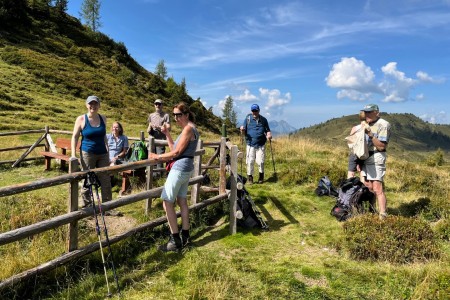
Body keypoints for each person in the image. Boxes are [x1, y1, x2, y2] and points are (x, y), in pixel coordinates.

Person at [148, 102, 199, 252]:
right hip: (186, 168)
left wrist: (157, 157)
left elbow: (175, 154)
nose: (176, 118)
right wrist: (167, 134)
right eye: (175, 115)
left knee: (166, 202)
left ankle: (174, 240)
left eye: (179, 115)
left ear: (186, 115)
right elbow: (174, 149)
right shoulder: (189, 129)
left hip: (179, 169)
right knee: (182, 201)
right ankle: (185, 236)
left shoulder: (188, 129)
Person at [71, 95, 112, 207]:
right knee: (87, 178)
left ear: (99, 105)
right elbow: (75, 137)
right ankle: (87, 204)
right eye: (91, 104)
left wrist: (108, 152)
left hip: (102, 153)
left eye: (95, 103)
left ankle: (108, 205)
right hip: (87, 153)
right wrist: (73, 155)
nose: (93, 106)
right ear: (87, 105)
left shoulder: (103, 118)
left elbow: (104, 137)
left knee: (105, 179)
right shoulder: (81, 119)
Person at [360, 104, 391, 220]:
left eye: (369, 112)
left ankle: (383, 215)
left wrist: (370, 135)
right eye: (365, 112)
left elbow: (382, 146)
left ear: (377, 112)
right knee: (368, 186)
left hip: (376, 157)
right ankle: (371, 211)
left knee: (377, 188)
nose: (366, 114)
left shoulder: (383, 125)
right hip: (365, 158)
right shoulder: (366, 124)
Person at [239, 104, 272, 184]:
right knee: (250, 161)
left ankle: (261, 177)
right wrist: (242, 129)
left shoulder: (264, 120)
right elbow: (243, 131)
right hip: (250, 144)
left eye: (256, 111)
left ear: (259, 110)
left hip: (261, 144)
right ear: (251, 111)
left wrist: (269, 135)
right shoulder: (248, 119)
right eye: (253, 111)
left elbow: (267, 130)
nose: (254, 112)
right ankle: (250, 178)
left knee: (260, 161)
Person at [147, 99, 171, 171]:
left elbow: (169, 127)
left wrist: (159, 127)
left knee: (159, 157)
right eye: (156, 104)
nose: (157, 105)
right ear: (154, 105)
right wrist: (149, 128)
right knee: (151, 156)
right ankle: (151, 174)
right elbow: (148, 127)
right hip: (151, 139)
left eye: (159, 104)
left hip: (161, 140)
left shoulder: (166, 115)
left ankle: (159, 175)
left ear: (162, 105)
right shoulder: (151, 115)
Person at [347, 111, 366, 179]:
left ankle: (349, 187)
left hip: (355, 153)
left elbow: (350, 142)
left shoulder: (355, 128)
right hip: (365, 153)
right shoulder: (370, 128)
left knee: (351, 173)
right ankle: (363, 188)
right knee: (363, 173)